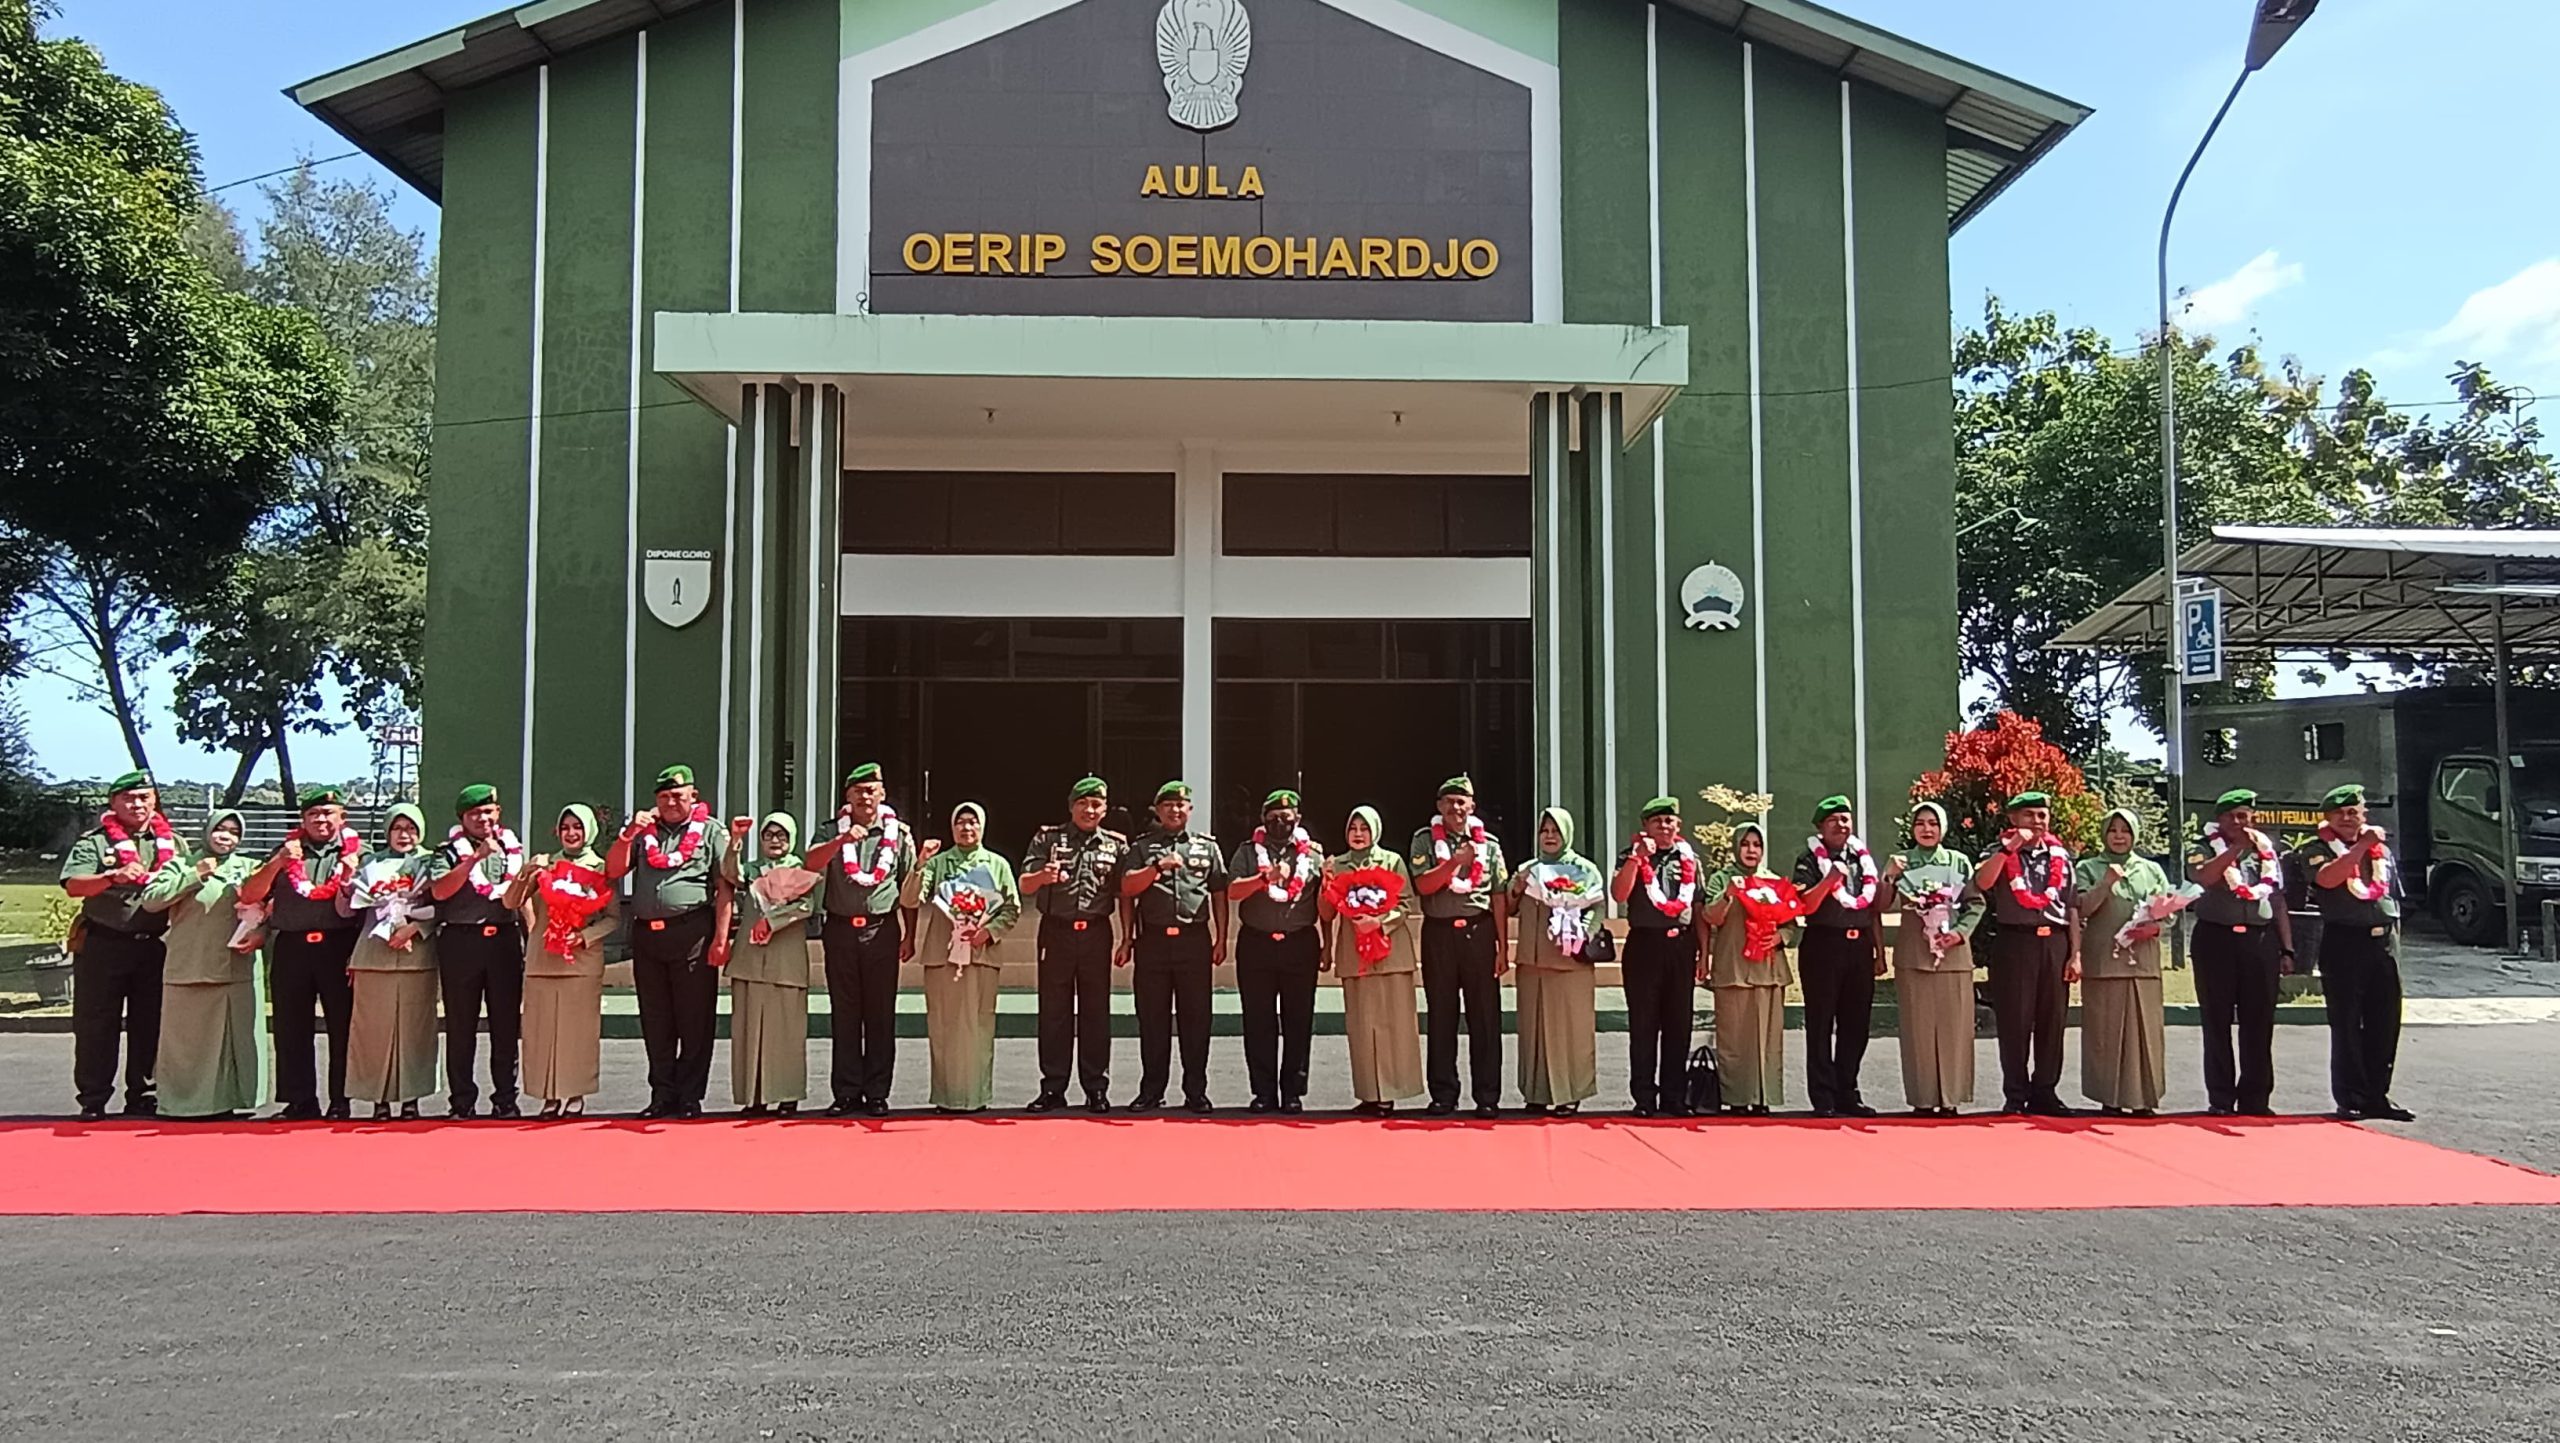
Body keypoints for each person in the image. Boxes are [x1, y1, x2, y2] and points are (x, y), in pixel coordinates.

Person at [607, 765, 732, 1120]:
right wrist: (628, 834)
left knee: (694, 1019)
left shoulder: (710, 832)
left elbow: (725, 887)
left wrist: (722, 938)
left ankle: (690, 1096)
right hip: (648, 935)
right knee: (656, 1019)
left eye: (678, 795)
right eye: (664, 797)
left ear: (693, 796)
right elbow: (614, 870)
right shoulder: (643, 833)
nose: (671, 802)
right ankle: (662, 1094)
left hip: (691, 931)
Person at [240, 784, 366, 1120]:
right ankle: (299, 1100)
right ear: (303, 819)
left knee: (343, 1025)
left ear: (342, 817)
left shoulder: (358, 853)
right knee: (290, 1026)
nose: (321, 820)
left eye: (328, 813)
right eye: (313, 814)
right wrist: (277, 864)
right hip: (293, 946)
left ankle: (341, 1100)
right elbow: (252, 895)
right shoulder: (286, 851)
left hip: (339, 944)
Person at [802, 762, 919, 1118]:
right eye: (858, 791)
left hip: (882, 930)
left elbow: (908, 887)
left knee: (880, 1015)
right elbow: (810, 864)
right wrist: (841, 841)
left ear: (882, 794)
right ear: (848, 797)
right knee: (845, 1013)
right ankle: (847, 1092)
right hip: (840, 931)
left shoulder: (897, 834)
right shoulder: (830, 831)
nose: (866, 797)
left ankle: (878, 1092)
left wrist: (910, 933)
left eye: (872, 790)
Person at [2291, 784, 2413, 1122]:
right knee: (2347, 1022)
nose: (2348, 818)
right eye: (2340, 813)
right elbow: (2328, 880)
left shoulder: (2381, 851)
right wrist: (2361, 846)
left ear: (2364, 815)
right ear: (2328, 818)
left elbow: (2390, 896)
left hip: (2382, 942)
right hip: (2345, 941)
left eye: (2354, 812)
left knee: (2385, 1021)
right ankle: (2351, 1097)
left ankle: (2378, 1095)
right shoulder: (2317, 849)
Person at [58, 769, 173, 1119]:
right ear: (114, 803)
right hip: (104, 945)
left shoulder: (171, 842)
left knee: (150, 1023)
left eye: (144, 797)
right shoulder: (95, 842)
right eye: (129, 798)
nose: (137, 804)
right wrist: (110, 877)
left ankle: (144, 1093)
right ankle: (93, 1097)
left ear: (154, 801)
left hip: (153, 945)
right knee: (96, 1024)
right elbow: (73, 885)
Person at [138, 808, 263, 1120]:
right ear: (207, 831)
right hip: (190, 967)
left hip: (236, 969)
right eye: (221, 829)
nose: (226, 836)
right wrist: (196, 875)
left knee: (234, 1042)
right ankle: (183, 1102)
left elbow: (268, 906)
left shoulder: (249, 867)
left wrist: (261, 932)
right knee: (187, 1043)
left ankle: (233, 1100)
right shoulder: (180, 864)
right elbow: (151, 899)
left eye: (234, 831)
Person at [1117, 781, 1228, 1114]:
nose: (1174, 810)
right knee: (1152, 1020)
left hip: (1193, 941)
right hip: (1152, 941)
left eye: (1181, 805)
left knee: (1197, 1019)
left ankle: (1196, 1090)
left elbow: (1219, 893)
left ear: (1189, 810)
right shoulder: (1142, 847)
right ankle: (1152, 1089)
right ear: (1157, 810)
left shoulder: (1207, 847)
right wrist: (1156, 868)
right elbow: (1126, 889)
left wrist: (1222, 937)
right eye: (1167, 805)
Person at [1020, 777, 1127, 1113]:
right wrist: (1043, 877)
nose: (1090, 810)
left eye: (1097, 805)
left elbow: (1124, 894)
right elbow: (1024, 883)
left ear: (1105, 809)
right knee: (1054, 1012)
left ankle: (1096, 1087)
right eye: (1083, 804)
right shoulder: (1048, 838)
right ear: (1072, 807)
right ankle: (1053, 1087)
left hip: (1096, 932)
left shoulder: (1116, 844)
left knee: (1096, 1012)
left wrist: (1127, 936)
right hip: (1057, 932)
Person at [905, 802, 1019, 1113]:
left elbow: (1011, 908)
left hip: (981, 954)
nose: (966, 828)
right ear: (952, 827)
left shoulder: (997, 864)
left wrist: (988, 932)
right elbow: (910, 899)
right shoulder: (939, 863)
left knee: (978, 1026)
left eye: (972, 823)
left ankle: (977, 1096)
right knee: (944, 1026)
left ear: (982, 827)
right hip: (943, 955)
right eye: (960, 822)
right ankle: (947, 1096)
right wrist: (920, 863)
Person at [1973, 791, 2081, 1117]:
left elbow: (2072, 907)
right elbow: (1982, 882)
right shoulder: (2000, 852)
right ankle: (2016, 1094)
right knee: (2015, 1021)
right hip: (2015, 942)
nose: (2037, 822)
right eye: (2029, 815)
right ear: (2013, 819)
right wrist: (2009, 849)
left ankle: (2045, 1091)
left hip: (2054, 942)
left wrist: (2076, 954)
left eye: (2042, 815)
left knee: (2052, 1020)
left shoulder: (2061, 855)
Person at [507, 804, 617, 1118]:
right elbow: (511, 902)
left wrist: (584, 937)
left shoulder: (600, 867)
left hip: (579, 962)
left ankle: (574, 1093)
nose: (571, 833)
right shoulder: (546, 865)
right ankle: (548, 1096)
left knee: (577, 1032)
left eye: (578, 827)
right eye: (566, 827)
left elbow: (612, 919)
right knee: (541, 1033)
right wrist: (527, 871)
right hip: (542, 961)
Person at [1705, 823, 1823, 1115]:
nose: (1751, 850)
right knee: (1733, 1038)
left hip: (1768, 969)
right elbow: (1710, 916)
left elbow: (1791, 922)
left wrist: (1779, 937)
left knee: (1768, 1039)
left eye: (1756, 845)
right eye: (1745, 844)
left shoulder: (1773, 882)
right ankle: (1736, 1098)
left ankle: (1763, 1097)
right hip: (1734, 968)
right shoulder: (1721, 879)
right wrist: (1728, 895)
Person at [1410, 775, 1510, 1117]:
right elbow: (1423, 885)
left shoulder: (1490, 845)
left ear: (1472, 806)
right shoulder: (1424, 841)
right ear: (1439, 806)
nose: (1456, 807)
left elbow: (1498, 896)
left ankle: (1487, 1096)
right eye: (1449, 801)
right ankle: (1443, 1094)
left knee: (1484, 1016)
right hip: (1439, 935)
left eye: (1462, 801)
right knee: (1441, 1014)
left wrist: (1502, 946)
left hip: (1479, 933)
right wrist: (1454, 862)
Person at [2189, 788, 2293, 1116]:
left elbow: (2276, 900)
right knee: (2217, 1020)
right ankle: (2221, 1098)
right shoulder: (2202, 848)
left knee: (2259, 1021)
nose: (2239, 821)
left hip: (2259, 942)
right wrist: (2234, 849)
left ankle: (2256, 1097)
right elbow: (2203, 877)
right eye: (2231, 816)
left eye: (2244, 815)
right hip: (2215, 941)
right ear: (2219, 820)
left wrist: (2287, 948)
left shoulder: (2265, 852)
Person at [426, 782, 528, 1118]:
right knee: (461, 1025)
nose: (483, 818)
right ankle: (462, 1101)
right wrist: (473, 860)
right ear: (463, 818)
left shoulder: (511, 847)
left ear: (497, 813)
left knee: (505, 1025)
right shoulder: (447, 852)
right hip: (461, 942)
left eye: (489, 811)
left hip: (503, 939)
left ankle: (505, 1100)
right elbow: (440, 892)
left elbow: (522, 896)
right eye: (475, 813)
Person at [1226, 788, 1325, 1113]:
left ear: (1297, 818)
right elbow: (1233, 891)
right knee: (1258, 1020)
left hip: (1300, 943)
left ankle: (1293, 1092)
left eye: (1287, 816)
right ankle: (1263, 1092)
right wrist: (1263, 878)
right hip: (1257, 944)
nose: (1281, 821)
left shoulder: (1314, 855)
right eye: (1274, 817)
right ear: (1263, 819)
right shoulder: (1247, 852)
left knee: (1299, 1020)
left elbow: (1325, 900)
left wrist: (1328, 945)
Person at [1884, 802, 1983, 1117]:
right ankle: (1923, 1099)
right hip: (1915, 955)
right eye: (1920, 823)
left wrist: (1960, 932)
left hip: (1953, 956)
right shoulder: (1902, 862)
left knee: (1954, 1028)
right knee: (1918, 1031)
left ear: (1943, 827)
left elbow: (1975, 903)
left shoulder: (1958, 862)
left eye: (1933, 823)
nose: (1927, 829)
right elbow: (1881, 904)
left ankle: (1951, 1097)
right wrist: (1888, 876)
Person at [345, 803, 443, 1120]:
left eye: (411, 828)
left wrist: (416, 927)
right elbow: (351, 908)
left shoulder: (432, 862)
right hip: (374, 955)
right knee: (372, 1031)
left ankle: (411, 1098)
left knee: (414, 1031)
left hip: (417, 957)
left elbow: (447, 906)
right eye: (398, 828)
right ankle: (378, 1098)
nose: (405, 835)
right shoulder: (369, 862)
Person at [1324, 805, 1424, 1116]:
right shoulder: (1336, 865)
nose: (1357, 834)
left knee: (1393, 1023)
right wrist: (1326, 884)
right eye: (1353, 828)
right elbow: (1327, 913)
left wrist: (1380, 922)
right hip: (1355, 952)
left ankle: (1391, 1091)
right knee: (1361, 1024)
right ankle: (1369, 1092)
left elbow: (1406, 903)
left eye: (1363, 828)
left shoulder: (1392, 860)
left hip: (1391, 951)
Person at [1791, 797, 1888, 1118]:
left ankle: (1848, 1091)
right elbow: (1805, 905)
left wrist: (1878, 950)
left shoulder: (1863, 859)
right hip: (1823, 945)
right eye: (1833, 820)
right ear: (1820, 827)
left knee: (1856, 1024)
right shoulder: (1807, 859)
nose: (1841, 825)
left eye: (1845, 819)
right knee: (1821, 1023)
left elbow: (1870, 907)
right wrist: (1829, 880)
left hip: (1859, 947)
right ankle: (1823, 1096)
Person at [1607, 797, 1703, 1115]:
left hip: (1681, 946)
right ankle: (1644, 1097)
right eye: (1657, 821)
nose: (1664, 826)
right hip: (1645, 946)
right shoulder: (1630, 855)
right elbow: (1619, 894)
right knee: (1644, 1025)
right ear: (1645, 827)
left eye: (1669, 821)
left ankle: (1674, 1096)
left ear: (1679, 826)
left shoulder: (1689, 858)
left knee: (1679, 1024)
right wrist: (1636, 860)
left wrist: (1705, 953)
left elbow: (1698, 908)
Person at [2076, 809, 2171, 1117]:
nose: (2118, 836)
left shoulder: (2151, 869)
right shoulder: (2088, 867)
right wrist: (2105, 883)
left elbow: (2166, 910)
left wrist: (2155, 927)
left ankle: (2144, 1099)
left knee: (2145, 1032)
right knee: (2106, 1033)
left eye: (2125, 830)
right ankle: (2109, 1097)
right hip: (2104, 961)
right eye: (2113, 830)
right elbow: (2082, 909)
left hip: (2142, 963)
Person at [723, 812, 818, 1116]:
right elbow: (729, 873)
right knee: (749, 1031)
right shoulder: (752, 870)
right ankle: (754, 1097)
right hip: (750, 960)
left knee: (786, 1032)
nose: (775, 840)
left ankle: (787, 1094)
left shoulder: (802, 870)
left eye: (782, 835)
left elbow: (807, 905)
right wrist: (736, 840)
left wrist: (772, 920)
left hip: (785, 961)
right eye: (769, 835)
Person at [1510, 806, 1603, 1116]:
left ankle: (1568, 1093)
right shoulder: (1528, 868)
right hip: (1532, 962)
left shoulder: (1584, 870)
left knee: (1569, 1031)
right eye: (1544, 831)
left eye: (1555, 831)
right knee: (1533, 1030)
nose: (1549, 837)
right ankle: (1535, 1093)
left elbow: (1597, 908)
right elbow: (1509, 905)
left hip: (1569, 962)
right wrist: (1518, 886)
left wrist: (1582, 935)